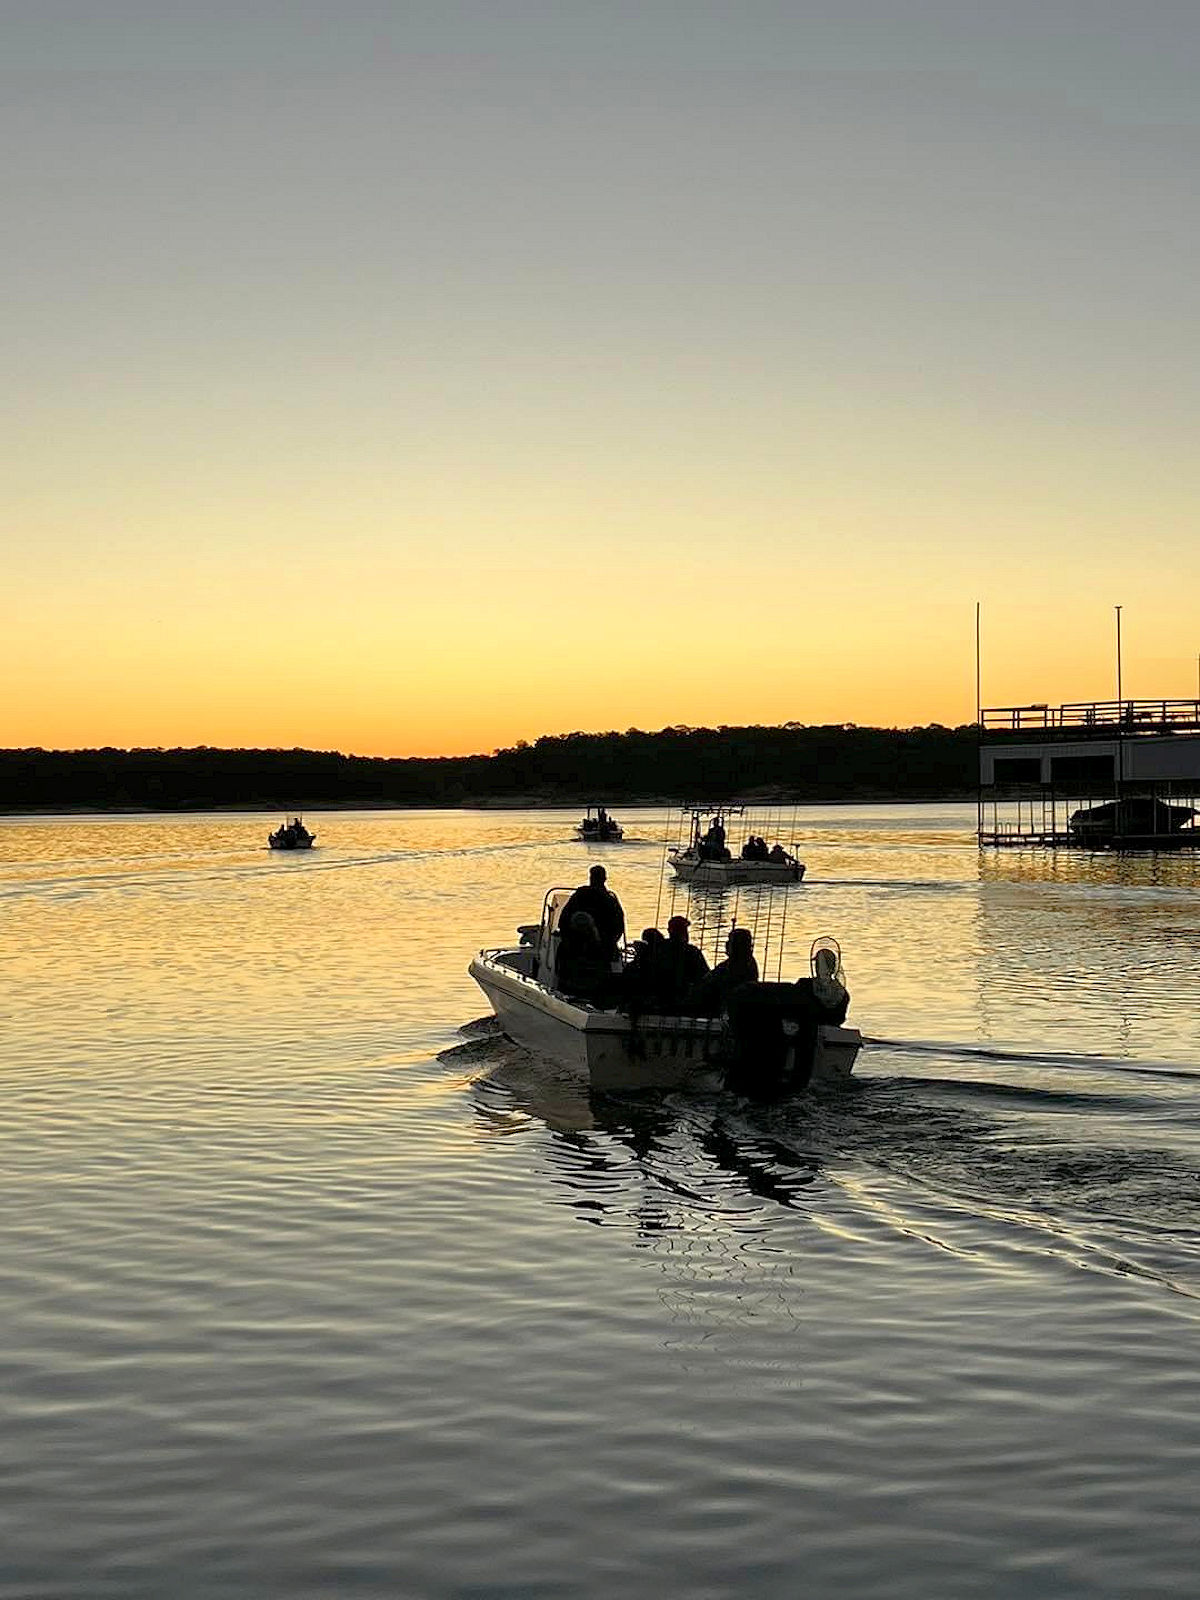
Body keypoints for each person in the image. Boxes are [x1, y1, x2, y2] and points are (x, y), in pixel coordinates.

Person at [558, 864, 626, 960]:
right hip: (602, 949)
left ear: (590, 878)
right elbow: (619, 927)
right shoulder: (610, 900)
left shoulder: (579, 895)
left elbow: (563, 920)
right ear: (605, 879)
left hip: (577, 947)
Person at [701, 927, 760, 1014]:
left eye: (731, 941)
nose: (726, 944)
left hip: (728, 1007)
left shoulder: (739, 965)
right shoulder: (740, 962)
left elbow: (712, 980)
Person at [658, 914, 710, 1011]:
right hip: (685, 1001)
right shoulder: (692, 952)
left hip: (662, 999)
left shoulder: (659, 949)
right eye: (684, 930)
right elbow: (705, 977)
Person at [556, 912, 610, 1000]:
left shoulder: (565, 946)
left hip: (571, 989)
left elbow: (559, 970)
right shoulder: (601, 947)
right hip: (594, 990)